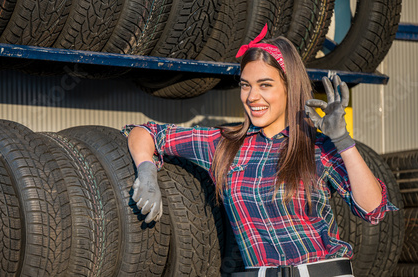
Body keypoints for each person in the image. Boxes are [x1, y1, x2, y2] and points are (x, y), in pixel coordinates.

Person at [122, 24, 397, 277]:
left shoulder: (317, 147)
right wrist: (146, 171)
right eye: (245, 86)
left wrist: (343, 141)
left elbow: (372, 210)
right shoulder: (223, 145)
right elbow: (145, 132)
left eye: (265, 85)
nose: (252, 97)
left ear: (291, 87)